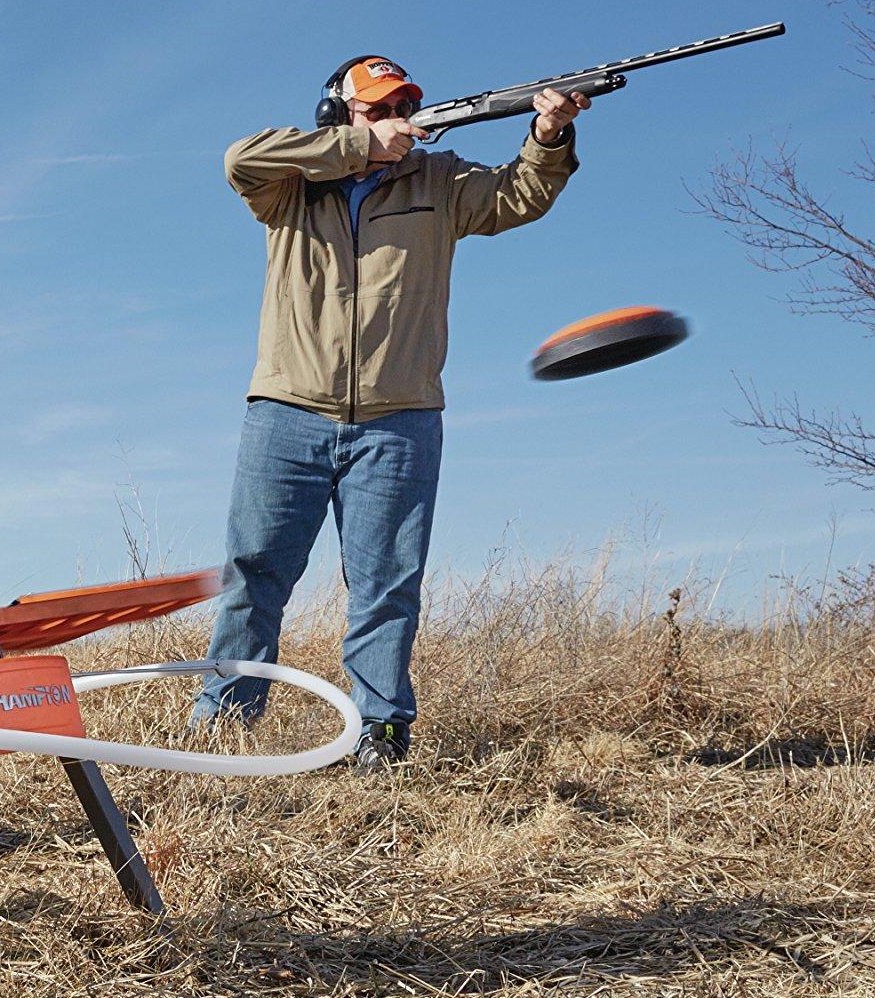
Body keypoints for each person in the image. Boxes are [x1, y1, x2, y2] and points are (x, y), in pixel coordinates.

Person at [191, 55, 590, 766]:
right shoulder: (291, 186)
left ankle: (379, 732)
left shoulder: (441, 181)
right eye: (376, 108)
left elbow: (519, 196)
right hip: (286, 410)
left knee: (385, 588)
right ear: (337, 115)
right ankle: (225, 726)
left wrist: (549, 135)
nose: (395, 118)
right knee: (254, 576)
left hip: (401, 418)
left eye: (402, 106)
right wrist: (358, 147)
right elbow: (238, 159)